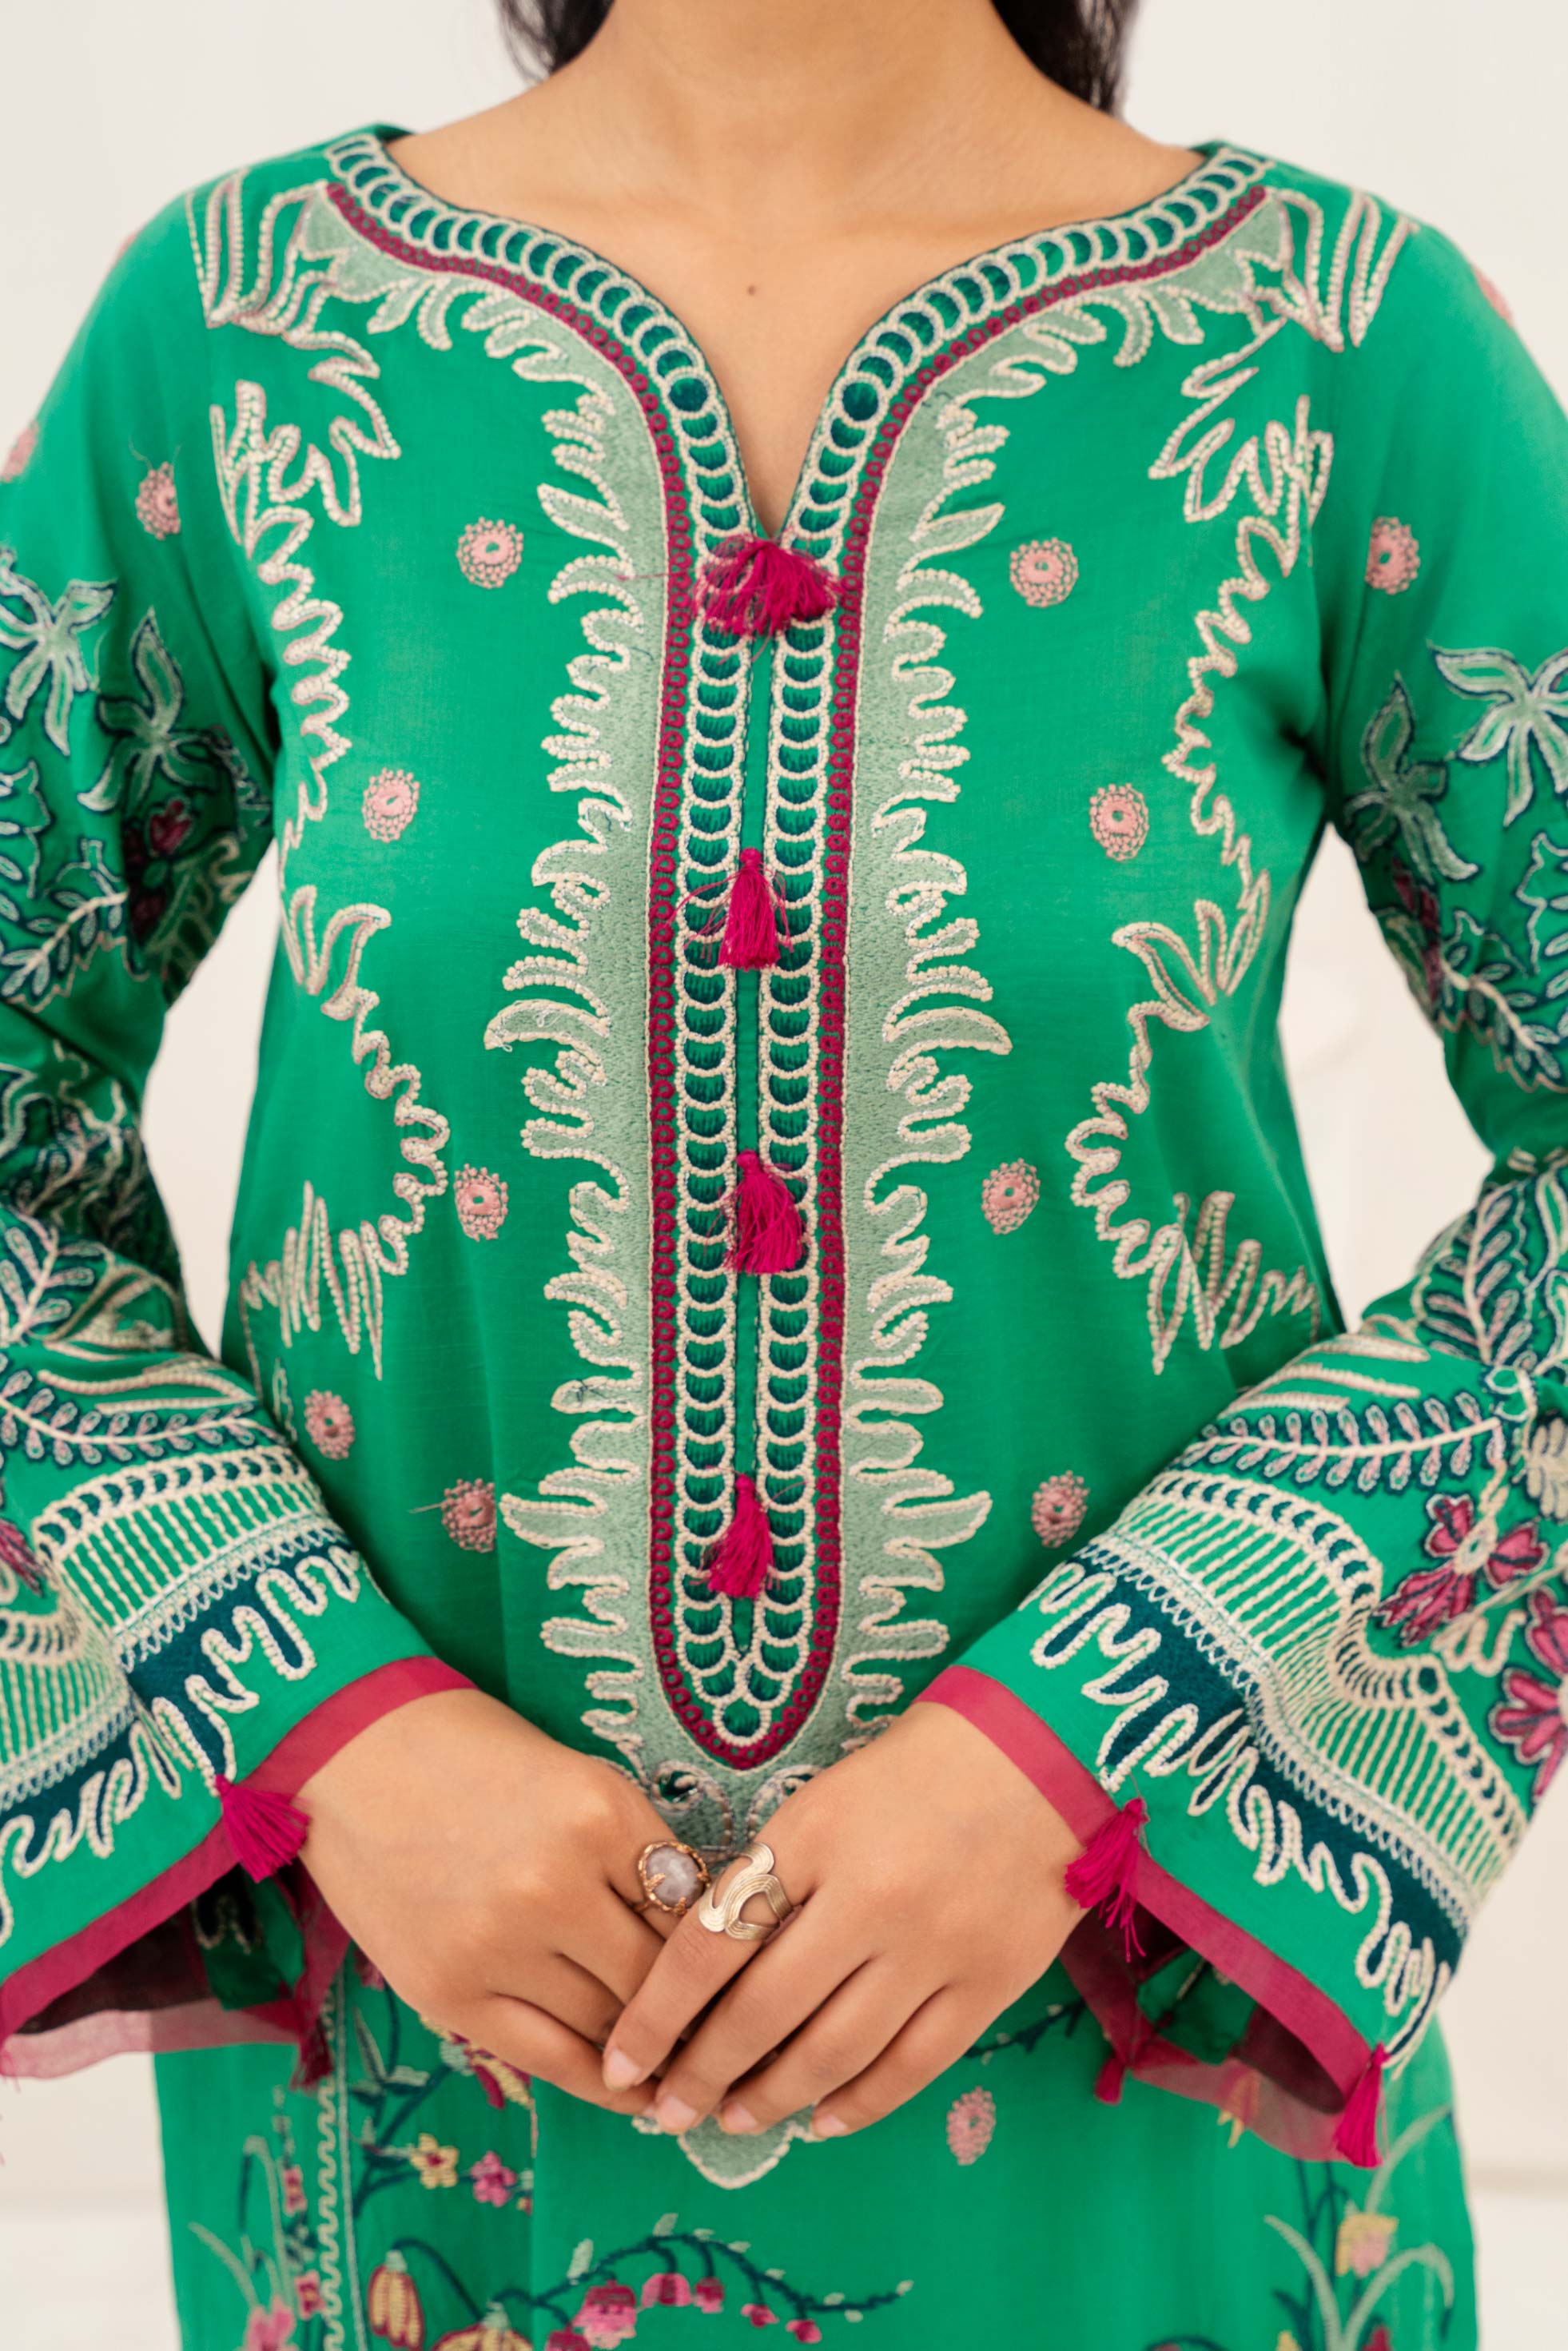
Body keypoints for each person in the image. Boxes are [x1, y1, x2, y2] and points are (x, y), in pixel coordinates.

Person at [2, 2, 1563, 2341]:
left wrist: (1103, 1747)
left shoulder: (1334, 354)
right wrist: (319, 1727)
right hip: (433, 2054)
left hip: (1121, 2030)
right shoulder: (242, 340)